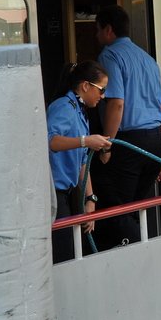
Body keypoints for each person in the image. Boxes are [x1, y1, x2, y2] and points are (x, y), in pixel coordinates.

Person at [92, 5, 161, 249]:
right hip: (155, 140)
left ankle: (129, 253)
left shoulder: (110, 55)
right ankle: (140, 249)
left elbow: (116, 103)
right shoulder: (147, 58)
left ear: (108, 30)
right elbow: (160, 107)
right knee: (138, 206)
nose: (97, 35)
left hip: (129, 141)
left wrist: (106, 144)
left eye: (98, 29)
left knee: (116, 206)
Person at [47, 61, 113, 263]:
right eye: (101, 90)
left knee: (76, 250)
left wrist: (90, 199)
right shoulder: (63, 107)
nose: (103, 96)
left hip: (69, 194)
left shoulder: (80, 112)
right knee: (64, 254)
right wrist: (85, 140)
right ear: (85, 86)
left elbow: (83, 161)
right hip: (54, 194)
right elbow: (50, 141)